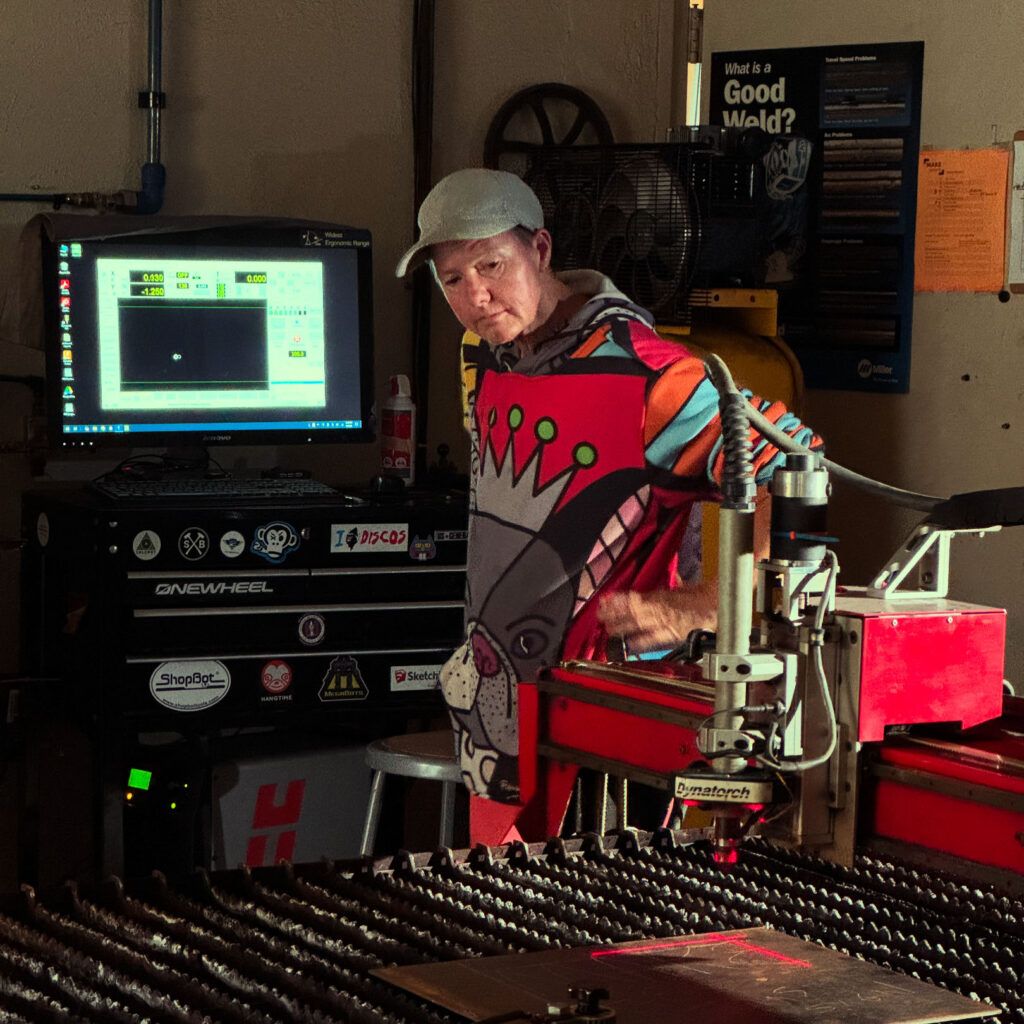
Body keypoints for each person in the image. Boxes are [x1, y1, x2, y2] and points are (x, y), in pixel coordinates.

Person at [395, 168, 819, 836]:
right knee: (503, 928)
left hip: (605, 739)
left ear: (540, 251)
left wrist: (707, 605)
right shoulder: (489, 359)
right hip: (501, 721)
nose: (475, 295)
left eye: (492, 264)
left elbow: (797, 469)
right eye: (452, 279)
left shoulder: (649, 376)